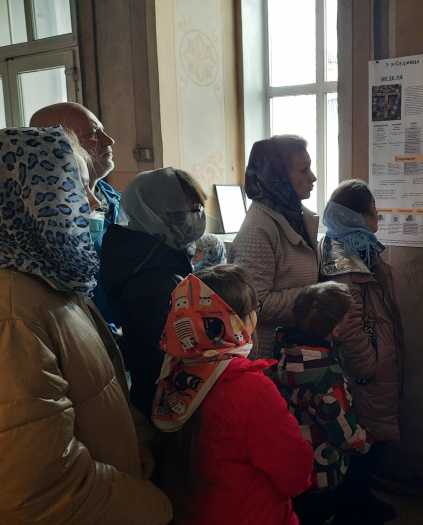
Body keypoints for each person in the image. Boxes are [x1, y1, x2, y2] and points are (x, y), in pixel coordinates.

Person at [0, 127, 172, 524]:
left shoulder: (51, 283)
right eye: (76, 187)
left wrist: (139, 448)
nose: (93, 202)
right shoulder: (11, 312)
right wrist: (153, 506)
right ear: (27, 200)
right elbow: (40, 490)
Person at [152, 266, 313, 525]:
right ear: (234, 322)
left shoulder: (173, 372)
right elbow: (295, 474)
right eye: (254, 309)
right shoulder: (251, 389)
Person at [319, 179, 405, 524]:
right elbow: (348, 325)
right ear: (356, 217)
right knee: (361, 441)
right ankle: (354, 509)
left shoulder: (359, 250)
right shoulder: (344, 261)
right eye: (373, 212)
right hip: (363, 373)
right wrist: (369, 366)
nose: (377, 219)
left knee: (369, 439)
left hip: (373, 366)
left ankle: (361, 500)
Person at [101, 167, 207, 418]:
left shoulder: (149, 255)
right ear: (154, 215)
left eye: (198, 209)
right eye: (185, 213)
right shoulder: (152, 278)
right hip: (164, 405)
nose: (196, 218)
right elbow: (163, 360)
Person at [274, 282, 370, 525]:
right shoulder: (326, 376)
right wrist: (363, 440)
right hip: (320, 470)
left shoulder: (287, 354)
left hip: (290, 462)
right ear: (335, 329)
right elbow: (344, 432)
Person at [30, 102, 120, 325]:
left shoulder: (115, 199)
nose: (109, 140)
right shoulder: (37, 225)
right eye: (92, 134)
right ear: (53, 146)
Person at [229, 135, 319, 359]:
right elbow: (255, 304)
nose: (313, 177)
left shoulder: (296, 218)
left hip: (294, 347)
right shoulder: (258, 229)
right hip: (269, 355)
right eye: (304, 170)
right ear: (277, 177)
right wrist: (316, 296)